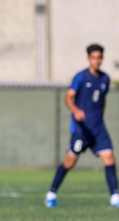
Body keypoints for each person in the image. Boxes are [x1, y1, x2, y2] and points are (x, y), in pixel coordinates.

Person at [45, 44, 118, 208]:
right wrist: (75, 110)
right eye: (94, 57)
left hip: (98, 128)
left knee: (110, 158)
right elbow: (68, 97)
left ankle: (115, 196)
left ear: (102, 59)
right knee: (70, 162)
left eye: (99, 57)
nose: (97, 61)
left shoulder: (105, 79)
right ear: (88, 58)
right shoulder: (81, 77)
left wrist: (99, 117)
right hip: (81, 130)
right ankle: (51, 193)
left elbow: (102, 101)